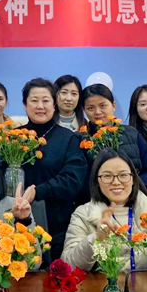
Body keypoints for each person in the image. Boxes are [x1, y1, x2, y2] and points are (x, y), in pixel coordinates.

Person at [62, 149, 147, 272]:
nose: (116, 182)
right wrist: (96, 239)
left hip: (146, 286)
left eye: (123, 175)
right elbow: (67, 266)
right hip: (102, 286)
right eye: (107, 176)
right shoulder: (83, 214)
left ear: (133, 178)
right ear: (97, 181)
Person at [18, 78, 88, 261]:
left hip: (56, 225)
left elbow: (73, 179)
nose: (40, 106)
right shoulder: (12, 138)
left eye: (46, 100)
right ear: (25, 105)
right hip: (17, 225)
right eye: (34, 100)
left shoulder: (69, 139)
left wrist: (38, 191)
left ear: (54, 104)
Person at [81, 84, 147, 190]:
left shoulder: (132, 133)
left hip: (134, 194)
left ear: (113, 106)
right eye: (90, 108)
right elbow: (81, 178)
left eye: (103, 106)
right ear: (84, 110)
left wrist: (130, 187)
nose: (98, 112)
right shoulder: (80, 139)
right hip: (97, 197)